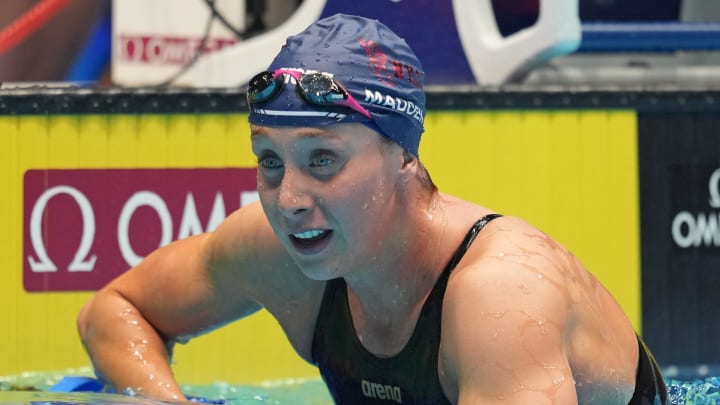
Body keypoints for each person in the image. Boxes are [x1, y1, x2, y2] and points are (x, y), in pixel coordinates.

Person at [77, 13, 668, 404]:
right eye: (270, 162)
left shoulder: (500, 298)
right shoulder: (277, 250)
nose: (289, 201)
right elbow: (115, 311)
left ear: (403, 156)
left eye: (323, 160)